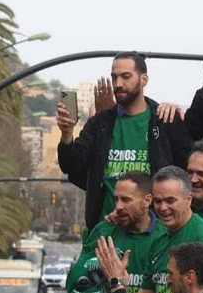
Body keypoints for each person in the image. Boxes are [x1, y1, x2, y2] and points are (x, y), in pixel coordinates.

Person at [57, 52, 192, 233]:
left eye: (126, 76)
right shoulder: (100, 123)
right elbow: (72, 166)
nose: (118, 84)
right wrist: (66, 134)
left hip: (154, 236)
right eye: (114, 77)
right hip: (105, 233)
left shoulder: (165, 120)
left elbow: (187, 171)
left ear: (144, 80)